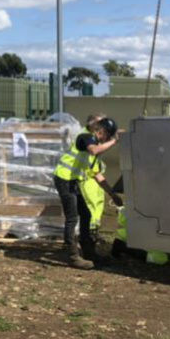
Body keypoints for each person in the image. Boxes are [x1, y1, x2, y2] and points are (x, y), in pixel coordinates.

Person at [53, 115, 119, 269]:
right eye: (107, 136)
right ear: (101, 131)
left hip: (72, 181)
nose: (106, 140)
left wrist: (113, 195)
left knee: (86, 214)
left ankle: (89, 252)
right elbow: (94, 150)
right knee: (72, 218)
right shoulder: (86, 138)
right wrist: (115, 141)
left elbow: (97, 175)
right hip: (64, 179)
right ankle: (73, 257)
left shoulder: (92, 144)